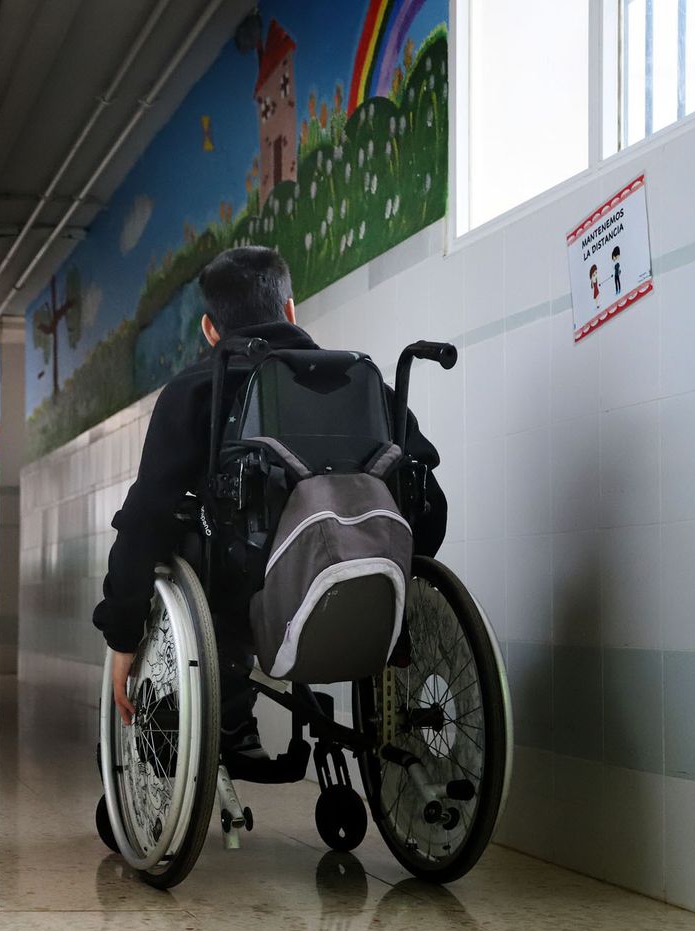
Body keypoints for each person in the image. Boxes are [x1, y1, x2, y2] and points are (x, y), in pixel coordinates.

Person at [92, 246, 443, 771]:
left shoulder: (196, 391)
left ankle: (230, 717)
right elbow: (425, 492)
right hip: (368, 586)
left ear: (211, 330)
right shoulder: (361, 381)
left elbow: (145, 518)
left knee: (180, 529)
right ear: (291, 310)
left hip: (245, 599)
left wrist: (122, 633)